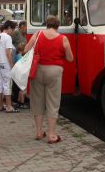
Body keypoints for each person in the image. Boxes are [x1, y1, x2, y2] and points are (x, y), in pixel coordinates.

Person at [24, 15, 73, 143]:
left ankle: (39, 132)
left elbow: (25, 49)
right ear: (58, 26)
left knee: (37, 101)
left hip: (38, 70)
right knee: (53, 102)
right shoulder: (63, 38)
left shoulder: (38, 34)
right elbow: (70, 58)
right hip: (55, 72)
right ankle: (52, 135)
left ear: (46, 24)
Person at [0, 20, 18, 113]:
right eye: (12, 29)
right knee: (7, 84)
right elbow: (8, 52)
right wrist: (11, 64)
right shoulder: (8, 37)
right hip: (6, 63)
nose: (12, 32)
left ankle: (0, 105)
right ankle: (9, 106)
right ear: (8, 28)